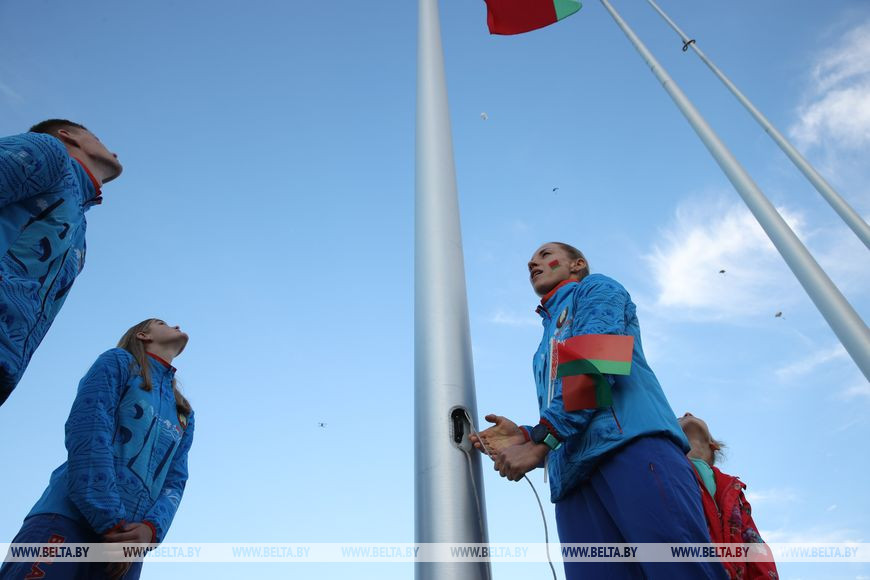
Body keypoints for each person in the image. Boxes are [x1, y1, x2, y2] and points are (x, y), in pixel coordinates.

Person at [471, 242, 726, 579]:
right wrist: (526, 435)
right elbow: (571, 405)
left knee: (678, 571)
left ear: (577, 264)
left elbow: (598, 360)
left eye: (546, 254)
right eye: (531, 259)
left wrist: (541, 441)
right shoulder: (541, 348)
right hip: (572, 482)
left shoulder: (596, 288)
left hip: (631, 449)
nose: (533, 262)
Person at [0, 319, 194, 580]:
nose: (176, 325)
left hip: (126, 550)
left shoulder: (184, 413)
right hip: (68, 519)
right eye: (161, 322)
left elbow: (175, 480)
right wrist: (110, 521)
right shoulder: (118, 363)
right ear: (142, 334)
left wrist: (150, 530)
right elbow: (90, 428)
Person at [0, 119, 123, 406]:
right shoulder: (48, 151)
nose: (114, 152)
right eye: (98, 138)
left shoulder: (80, 234)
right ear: (67, 136)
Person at [679, 412, 779, 579]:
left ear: (714, 445)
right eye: (678, 419)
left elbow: (755, 546)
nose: (687, 413)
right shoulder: (666, 471)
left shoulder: (733, 491)